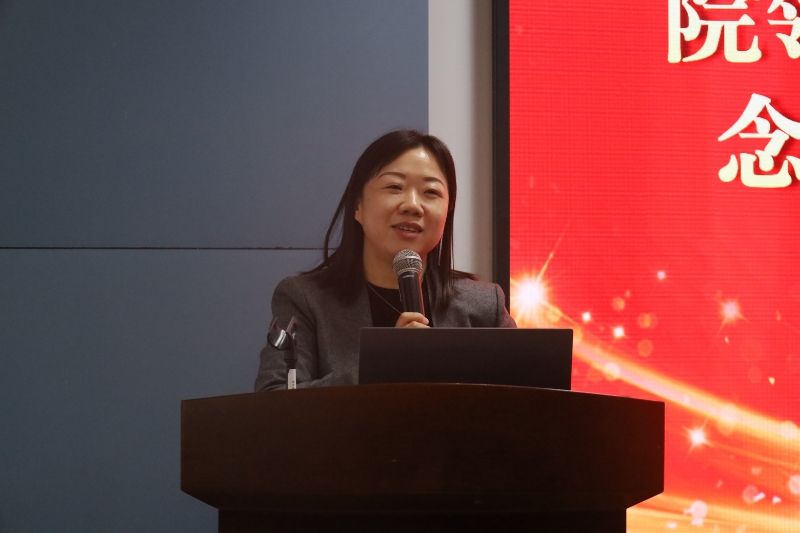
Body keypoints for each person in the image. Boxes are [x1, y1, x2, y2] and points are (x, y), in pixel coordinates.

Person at [254, 130, 516, 391]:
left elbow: (526, 399)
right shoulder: (306, 300)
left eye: (431, 192)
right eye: (394, 187)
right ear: (358, 206)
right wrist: (383, 365)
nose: (412, 205)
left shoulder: (484, 306)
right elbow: (274, 398)